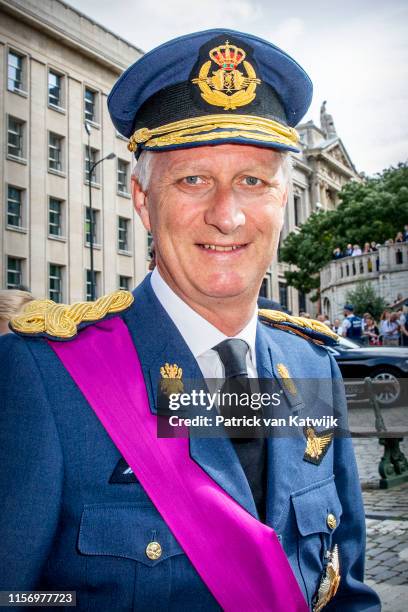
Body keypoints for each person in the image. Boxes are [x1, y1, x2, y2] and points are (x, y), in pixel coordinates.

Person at [0, 29, 379, 611]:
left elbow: (345, 589)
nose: (226, 216)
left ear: (282, 201)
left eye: (253, 181)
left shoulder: (313, 367)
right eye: (193, 180)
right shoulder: (41, 375)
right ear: (141, 199)